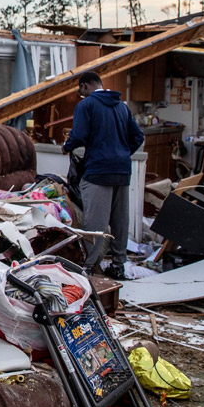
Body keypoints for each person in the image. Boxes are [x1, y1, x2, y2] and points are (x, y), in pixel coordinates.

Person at [62, 71, 144, 281]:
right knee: (119, 220)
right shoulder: (121, 106)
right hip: (122, 170)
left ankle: (88, 268)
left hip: (98, 170)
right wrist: (122, 153)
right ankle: (118, 265)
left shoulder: (86, 105)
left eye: (81, 91)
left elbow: (78, 135)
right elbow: (138, 136)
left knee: (95, 224)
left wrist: (66, 147)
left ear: (85, 87)